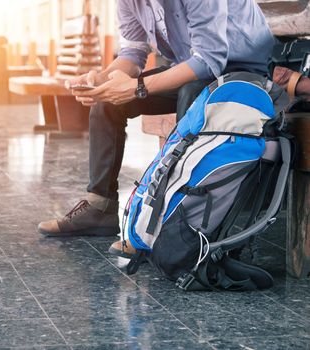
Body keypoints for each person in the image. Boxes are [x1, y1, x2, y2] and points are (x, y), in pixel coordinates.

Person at [37, 0, 276, 256]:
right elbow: (132, 53)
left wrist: (136, 87)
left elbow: (209, 60)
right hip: (191, 70)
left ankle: (174, 221)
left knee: (192, 94)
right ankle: (100, 208)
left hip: (244, 73)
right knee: (107, 105)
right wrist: (104, 80)